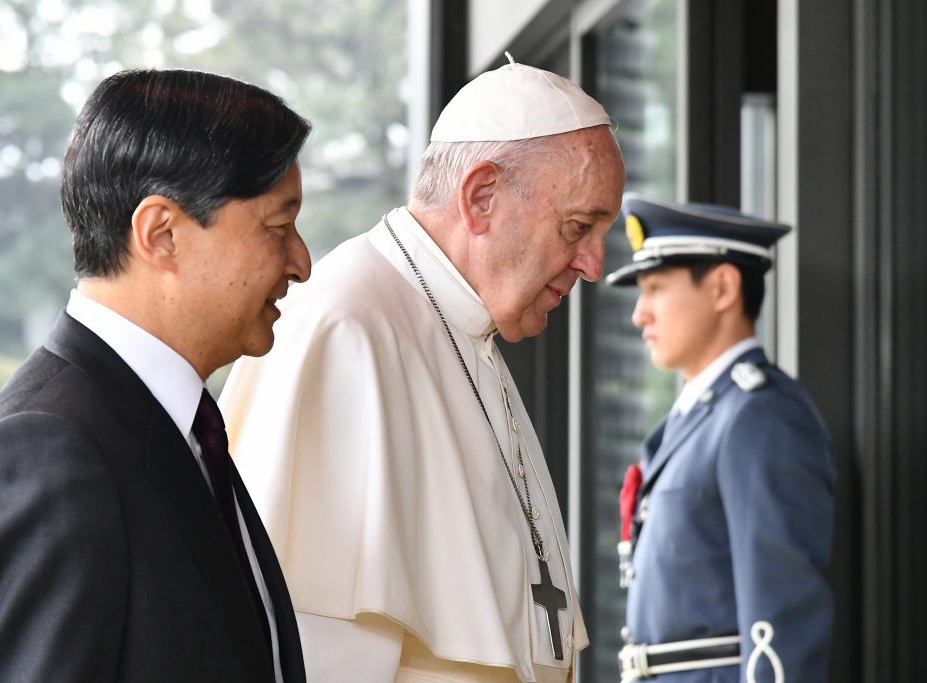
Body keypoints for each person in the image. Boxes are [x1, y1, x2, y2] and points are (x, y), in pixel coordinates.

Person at [219, 56, 625, 682]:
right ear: (482, 196)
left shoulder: (465, 326)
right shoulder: (346, 329)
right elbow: (318, 651)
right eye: (577, 227)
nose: (594, 265)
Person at [0, 68, 312, 682]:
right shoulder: (44, 452)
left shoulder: (178, 424)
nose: (302, 262)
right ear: (161, 233)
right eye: (277, 226)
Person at [606, 194, 836, 683]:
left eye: (654, 288)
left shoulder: (761, 417)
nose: (639, 314)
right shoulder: (698, 419)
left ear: (723, 288)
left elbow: (782, 622)